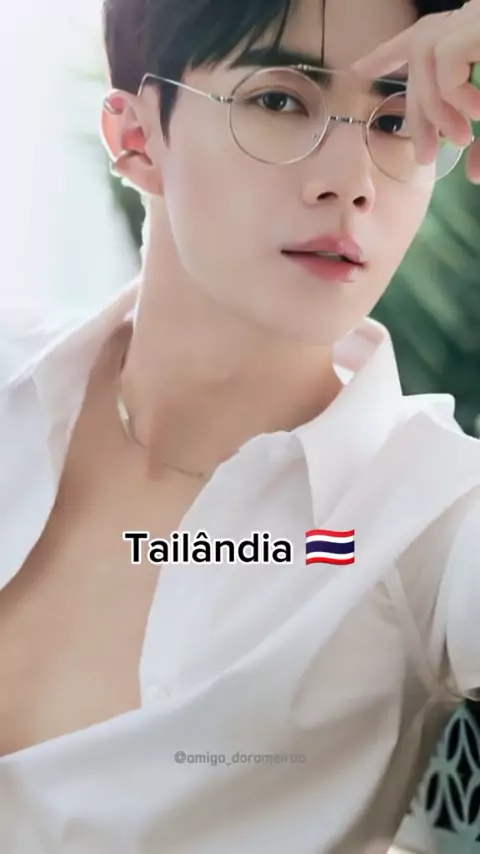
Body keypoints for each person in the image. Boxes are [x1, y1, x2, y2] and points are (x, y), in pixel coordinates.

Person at [0, 0, 479, 852]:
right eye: (281, 100)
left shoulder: (432, 515)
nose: (352, 181)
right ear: (136, 138)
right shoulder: (14, 381)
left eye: (395, 119)